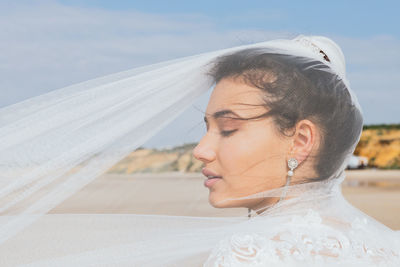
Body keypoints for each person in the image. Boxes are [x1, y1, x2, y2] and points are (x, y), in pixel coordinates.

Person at [0, 35, 399, 266]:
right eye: (206, 128)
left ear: (301, 139)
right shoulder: (388, 245)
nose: (201, 150)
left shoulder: (251, 253)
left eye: (228, 129)